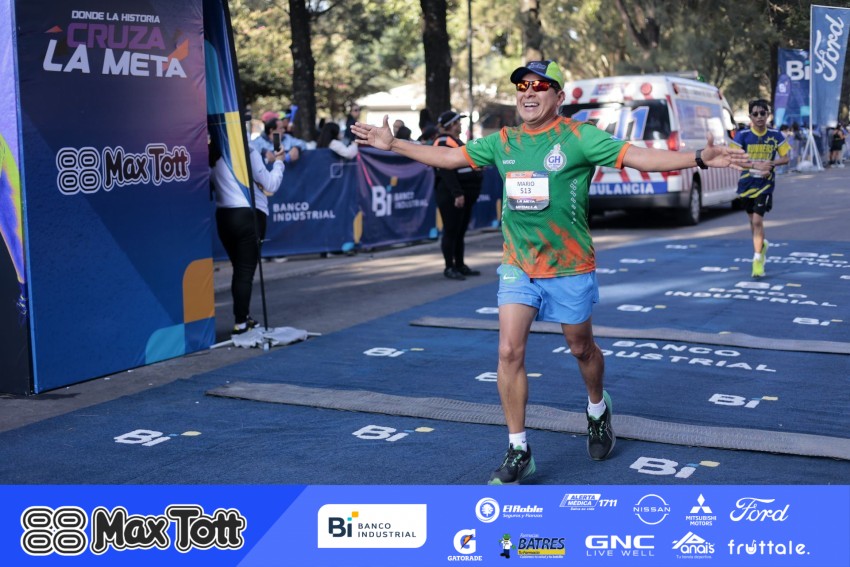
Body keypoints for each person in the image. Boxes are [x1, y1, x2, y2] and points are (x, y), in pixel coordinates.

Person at [351, 60, 748, 485]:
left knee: (581, 349)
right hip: (518, 265)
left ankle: (597, 407)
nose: (529, 92)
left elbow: (639, 157)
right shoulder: (504, 141)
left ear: (558, 97)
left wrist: (698, 158)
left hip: (569, 266)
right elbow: (448, 157)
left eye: (540, 86)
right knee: (509, 352)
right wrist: (393, 144)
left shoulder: (580, 138)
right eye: (522, 85)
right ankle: (518, 448)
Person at [211, 134, 287, 335]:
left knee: (240, 270)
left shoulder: (211, 150)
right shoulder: (246, 148)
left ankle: (243, 319)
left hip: (224, 215)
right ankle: (241, 323)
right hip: (249, 214)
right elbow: (271, 184)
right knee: (244, 272)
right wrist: (279, 162)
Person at [729, 99, 791, 278]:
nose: (759, 117)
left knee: (757, 220)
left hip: (765, 185)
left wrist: (770, 164)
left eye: (763, 113)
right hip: (747, 184)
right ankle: (761, 246)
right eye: (755, 114)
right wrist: (754, 165)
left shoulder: (776, 135)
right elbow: (734, 159)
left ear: (768, 115)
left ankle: (757, 260)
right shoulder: (742, 135)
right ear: (750, 116)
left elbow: (786, 158)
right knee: (752, 221)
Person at [433, 110, 483, 280]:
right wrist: (457, 193)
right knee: (451, 231)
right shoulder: (443, 141)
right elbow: (445, 170)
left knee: (460, 231)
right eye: (458, 122)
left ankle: (460, 265)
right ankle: (449, 267)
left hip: (463, 194)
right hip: (451, 195)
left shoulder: (455, 140)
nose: (460, 124)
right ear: (452, 125)